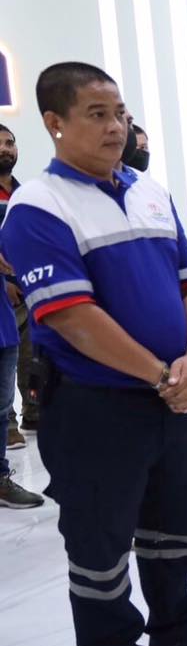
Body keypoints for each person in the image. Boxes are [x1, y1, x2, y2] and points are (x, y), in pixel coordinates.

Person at [0, 62, 187, 646]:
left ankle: (176, 629)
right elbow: (72, 317)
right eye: (97, 114)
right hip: (94, 406)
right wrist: (162, 374)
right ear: (54, 122)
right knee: (100, 540)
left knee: (176, 521)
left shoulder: (149, 191)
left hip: (172, 396)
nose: (115, 127)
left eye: (120, 113)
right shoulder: (37, 207)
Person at [0, 123, 40, 444]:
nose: (5, 148)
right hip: (3, 295)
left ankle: (34, 413)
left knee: (32, 357)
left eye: (10, 142)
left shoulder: (24, 193)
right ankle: (7, 424)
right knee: (6, 358)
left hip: (29, 289)